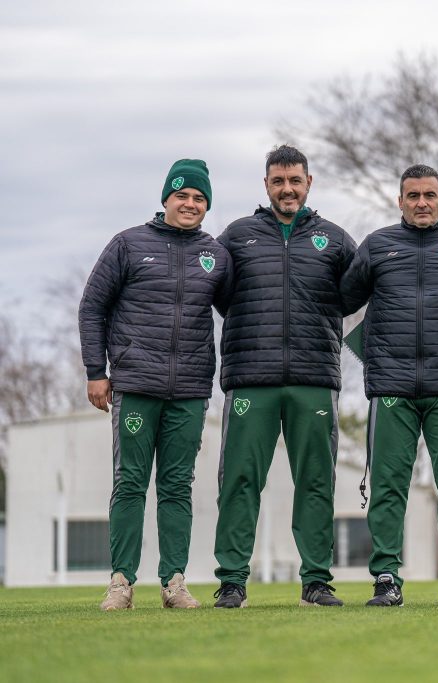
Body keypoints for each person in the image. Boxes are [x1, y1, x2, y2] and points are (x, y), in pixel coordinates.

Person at [79, 159, 232, 610]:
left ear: (207, 205)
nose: (190, 204)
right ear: (166, 197)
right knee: (129, 482)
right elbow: (92, 308)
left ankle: (175, 583)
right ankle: (121, 582)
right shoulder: (128, 244)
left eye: (199, 198)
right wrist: (96, 372)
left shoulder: (216, 256)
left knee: (177, 486)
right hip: (136, 386)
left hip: (189, 389)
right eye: (182, 195)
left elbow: (236, 312)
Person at [212, 145, 356, 608]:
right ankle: (232, 581)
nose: (287, 189)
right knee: (239, 480)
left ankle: (316, 581)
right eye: (278, 181)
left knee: (316, 480)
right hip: (250, 377)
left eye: (295, 180)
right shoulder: (236, 237)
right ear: (266, 185)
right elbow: (218, 297)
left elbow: (356, 297)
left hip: (313, 378)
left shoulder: (335, 240)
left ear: (308, 183)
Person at [340, 164, 438, 607]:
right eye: (413, 195)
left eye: (429, 194)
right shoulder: (378, 246)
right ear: (399, 200)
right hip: (391, 388)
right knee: (388, 486)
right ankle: (386, 577)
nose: (422, 202)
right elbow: (345, 299)